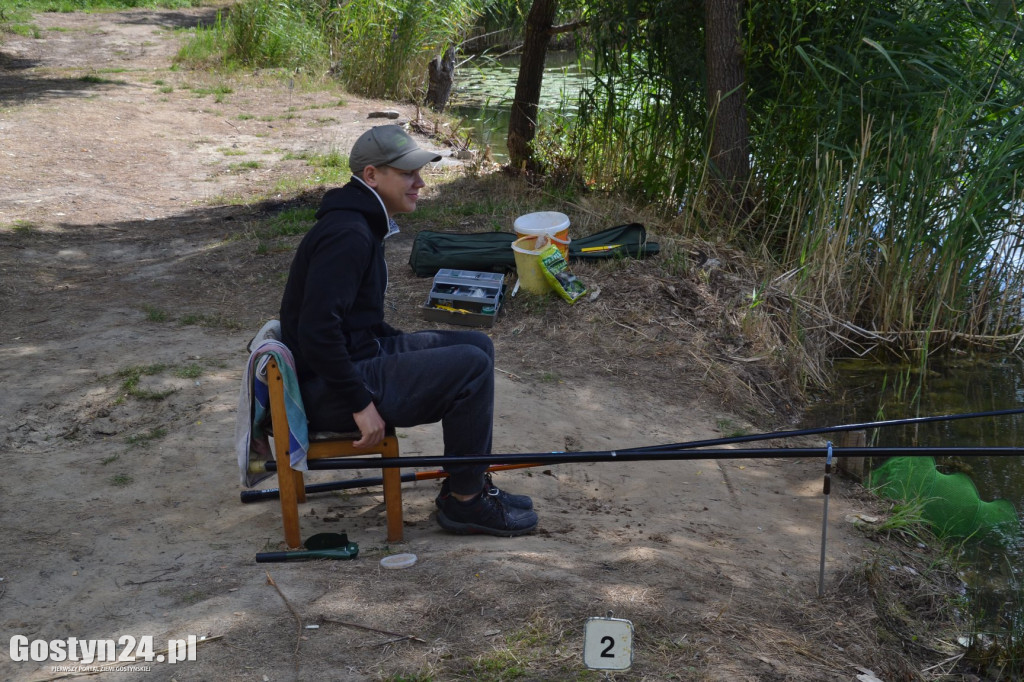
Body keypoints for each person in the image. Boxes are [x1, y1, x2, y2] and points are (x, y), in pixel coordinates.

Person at [278, 125, 538, 537]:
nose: (419, 182)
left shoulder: (358, 221)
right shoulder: (348, 234)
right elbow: (316, 330)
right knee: (469, 366)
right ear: (371, 176)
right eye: (406, 173)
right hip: (327, 391)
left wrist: (403, 349)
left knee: (477, 344)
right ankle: (466, 504)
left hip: (346, 364)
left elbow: (355, 320)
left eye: (418, 172)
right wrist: (360, 404)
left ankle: (463, 484)